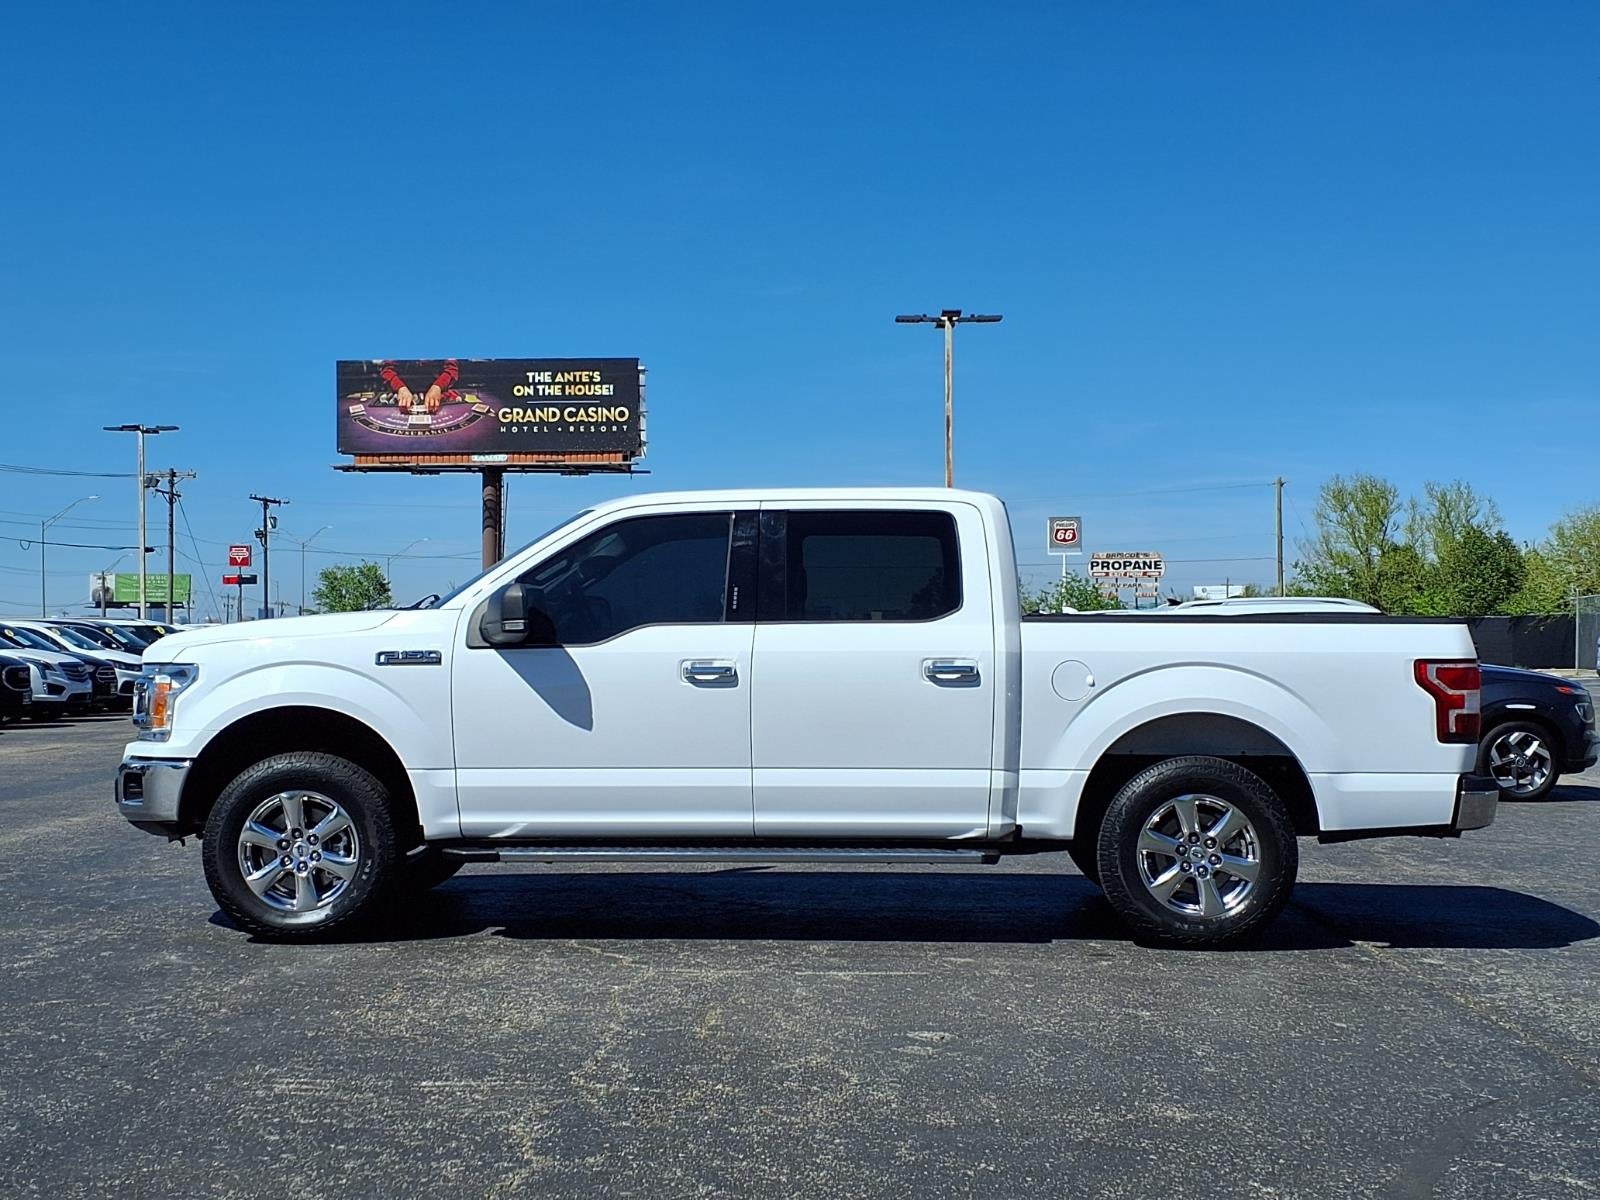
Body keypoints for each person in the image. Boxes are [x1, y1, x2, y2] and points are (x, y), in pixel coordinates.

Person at [380, 359, 459, 412]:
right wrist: (400, 388)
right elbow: (387, 370)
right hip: (402, 396)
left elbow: (451, 369)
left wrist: (437, 387)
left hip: (438, 396)